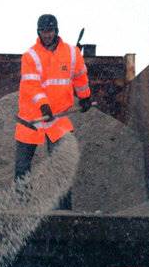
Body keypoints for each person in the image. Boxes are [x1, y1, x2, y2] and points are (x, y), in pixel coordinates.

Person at [14, 14, 92, 209]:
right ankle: (21, 208)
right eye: (43, 31)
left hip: (59, 118)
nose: (46, 35)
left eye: (49, 31)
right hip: (31, 118)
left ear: (56, 31)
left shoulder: (72, 53)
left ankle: (63, 210)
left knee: (62, 165)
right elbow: (31, 85)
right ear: (38, 32)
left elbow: (80, 77)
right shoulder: (30, 56)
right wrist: (43, 105)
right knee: (22, 168)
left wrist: (85, 97)